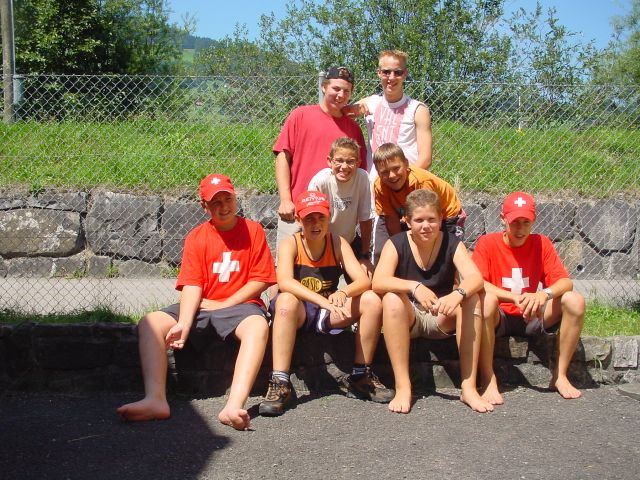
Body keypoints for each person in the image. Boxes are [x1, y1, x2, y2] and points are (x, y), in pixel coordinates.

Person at [117, 174, 276, 431]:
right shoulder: (197, 237)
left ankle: (234, 406)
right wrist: (184, 322)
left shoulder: (253, 230)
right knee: (150, 322)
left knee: (257, 327)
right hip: (204, 305)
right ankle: (155, 399)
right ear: (204, 206)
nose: (224, 207)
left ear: (235, 199)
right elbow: (192, 284)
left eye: (228, 199)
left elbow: (260, 280)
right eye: (216, 202)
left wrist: (224, 304)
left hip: (242, 305)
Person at [259, 191, 393, 416]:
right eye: (309, 218)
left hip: (327, 311)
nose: (316, 224)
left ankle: (360, 375)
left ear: (328, 217)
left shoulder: (337, 242)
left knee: (371, 300)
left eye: (320, 217)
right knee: (286, 300)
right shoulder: (290, 244)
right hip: (298, 311)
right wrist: (322, 300)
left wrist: (344, 292)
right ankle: (280, 382)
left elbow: (363, 280)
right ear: (299, 220)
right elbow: (285, 281)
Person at [372, 189, 493, 414]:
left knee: (472, 299)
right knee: (391, 299)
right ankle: (403, 386)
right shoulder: (396, 243)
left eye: (431, 219)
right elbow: (378, 281)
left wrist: (457, 294)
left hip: (441, 315)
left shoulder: (452, 243)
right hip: (409, 316)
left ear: (441, 219)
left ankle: (468, 387)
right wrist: (414, 287)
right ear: (407, 221)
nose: (426, 226)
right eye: (419, 220)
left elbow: (475, 278)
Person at [472, 192, 585, 404]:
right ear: (503, 219)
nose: (520, 229)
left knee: (574, 300)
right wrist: (514, 298)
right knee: (486, 301)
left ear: (534, 220)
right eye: (515, 222)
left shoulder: (541, 243)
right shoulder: (487, 243)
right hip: (500, 315)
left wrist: (543, 294)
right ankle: (488, 378)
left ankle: (560, 376)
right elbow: (478, 283)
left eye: (526, 222)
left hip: (532, 314)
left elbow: (565, 282)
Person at [274, 66, 367, 246]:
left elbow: (358, 173)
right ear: (324, 87)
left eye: (346, 91)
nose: (341, 95)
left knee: (332, 263)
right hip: (298, 209)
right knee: (289, 260)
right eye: (336, 88)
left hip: (335, 215)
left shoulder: (353, 128)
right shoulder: (300, 115)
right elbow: (282, 157)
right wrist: (285, 200)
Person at [372, 142, 464, 264]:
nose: (392, 175)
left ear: (406, 164)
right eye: (384, 172)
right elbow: (391, 220)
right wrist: (400, 248)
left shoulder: (421, 181)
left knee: (444, 254)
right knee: (386, 250)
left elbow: (429, 216)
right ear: (378, 172)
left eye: (396, 168)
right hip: (408, 213)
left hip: (444, 214)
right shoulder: (379, 186)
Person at [344, 49, 432, 174]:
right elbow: (338, 113)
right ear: (379, 73)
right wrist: (350, 110)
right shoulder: (371, 102)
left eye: (398, 72)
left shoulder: (417, 110)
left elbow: (426, 159)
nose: (391, 77)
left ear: (405, 74)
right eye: (386, 72)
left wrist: (405, 179)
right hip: (374, 181)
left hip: (405, 180)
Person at [308, 137, 374, 274]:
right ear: (329, 161)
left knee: (367, 276)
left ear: (358, 163)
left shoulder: (362, 178)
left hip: (350, 240)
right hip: (323, 242)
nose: (344, 167)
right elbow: (312, 220)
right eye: (339, 160)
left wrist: (364, 255)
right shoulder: (320, 181)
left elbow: (366, 218)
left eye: (350, 161)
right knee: (323, 284)